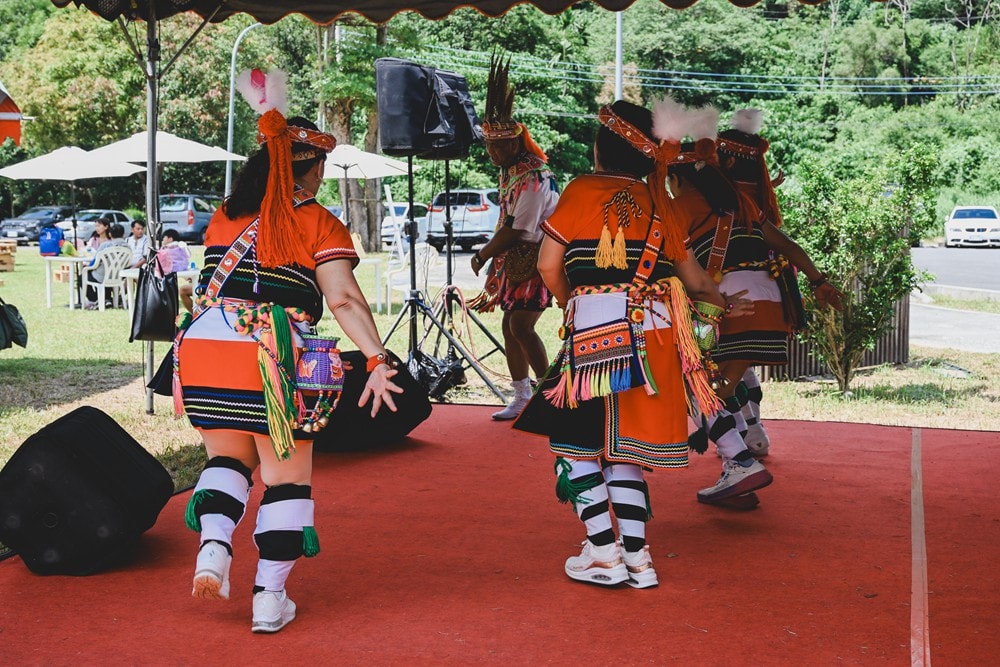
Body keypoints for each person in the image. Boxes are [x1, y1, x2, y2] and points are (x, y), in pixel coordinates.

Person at [174, 69, 402, 633]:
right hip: (272, 356)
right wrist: (376, 357)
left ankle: (213, 550)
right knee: (285, 479)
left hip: (204, 350)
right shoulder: (317, 220)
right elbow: (344, 299)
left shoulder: (225, 216)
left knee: (227, 459)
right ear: (312, 168)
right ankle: (268, 599)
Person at [517, 99, 730, 588]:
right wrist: (719, 309)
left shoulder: (582, 190)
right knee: (624, 451)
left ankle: (603, 552)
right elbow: (698, 285)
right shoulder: (663, 201)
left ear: (602, 148)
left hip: (597, 340)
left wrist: (578, 302)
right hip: (655, 341)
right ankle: (638, 560)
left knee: (577, 445)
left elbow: (549, 265)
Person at [667, 110, 842, 508]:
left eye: (669, 182)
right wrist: (818, 282)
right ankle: (747, 444)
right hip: (772, 303)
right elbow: (789, 247)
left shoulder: (679, 210)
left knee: (700, 387)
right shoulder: (743, 204)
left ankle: (739, 460)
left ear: (678, 179)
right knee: (724, 382)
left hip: (731, 306)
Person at [715, 109, 844, 459]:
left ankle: (737, 448)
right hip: (768, 297)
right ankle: (750, 433)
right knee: (738, 368)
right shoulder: (757, 202)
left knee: (720, 380)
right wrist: (818, 280)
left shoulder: (717, 201)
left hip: (729, 298)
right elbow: (788, 246)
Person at [468, 55, 559, 421]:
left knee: (521, 325)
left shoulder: (535, 175)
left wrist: (483, 254)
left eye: (498, 147)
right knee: (510, 324)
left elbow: (519, 229)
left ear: (516, 143)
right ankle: (522, 395)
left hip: (538, 259)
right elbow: (508, 223)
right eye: (488, 146)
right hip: (518, 261)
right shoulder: (511, 171)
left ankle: (549, 395)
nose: (492, 152)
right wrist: (495, 259)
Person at [83, 222, 128, 309]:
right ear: (123, 234)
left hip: (101, 275)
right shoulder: (127, 247)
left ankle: (96, 299)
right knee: (106, 274)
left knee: (83, 276)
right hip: (118, 275)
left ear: (110, 234)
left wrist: (89, 267)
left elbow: (96, 260)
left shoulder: (106, 245)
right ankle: (107, 299)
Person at [157, 228, 194, 312]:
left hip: (169, 270)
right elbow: (188, 256)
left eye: (164, 237)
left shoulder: (165, 249)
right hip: (183, 268)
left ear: (170, 238)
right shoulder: (182, 246)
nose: (163, 240)